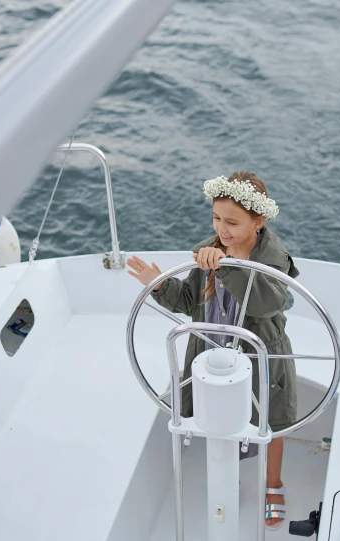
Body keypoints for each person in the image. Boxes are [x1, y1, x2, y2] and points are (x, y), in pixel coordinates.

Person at [127, 171, 298, 531]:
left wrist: (225, 268)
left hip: (260, 354)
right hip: (212, 348)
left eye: (233, 222)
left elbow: (266, 304)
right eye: (217, 218)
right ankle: (228, 474)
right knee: (217, 415)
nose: (222, 229)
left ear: (258, 221)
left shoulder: (274, 256)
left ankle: (273, 485)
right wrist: (157, 285)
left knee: (271, 421)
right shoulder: (210, 248)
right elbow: (190, 301)